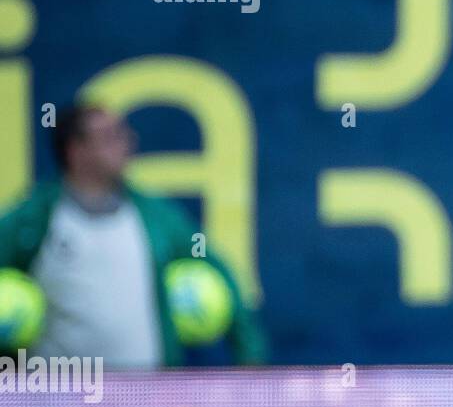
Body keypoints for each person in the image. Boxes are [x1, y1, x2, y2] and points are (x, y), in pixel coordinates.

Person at [0, 105, 265, 367]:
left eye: (123, 133)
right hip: (58, 399)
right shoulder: (34, 218)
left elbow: (220, 275)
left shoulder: (155, 216)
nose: (127, 142)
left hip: (147, 396)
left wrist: (250, 359)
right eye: (110, 136)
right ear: (75, 150)